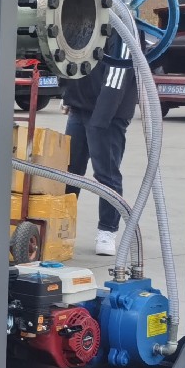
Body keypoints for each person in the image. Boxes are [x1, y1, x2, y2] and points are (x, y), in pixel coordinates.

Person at [61, 44, 136, 256]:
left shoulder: (123, 32)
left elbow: (119, 71)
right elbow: (74, 54)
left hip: (109, 113)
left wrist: (101, 119)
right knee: (70, 171)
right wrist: (68, 96)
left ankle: (107, 231)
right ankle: (61, 226)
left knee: (106, 174)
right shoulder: (89, 24)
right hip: (79, 107)